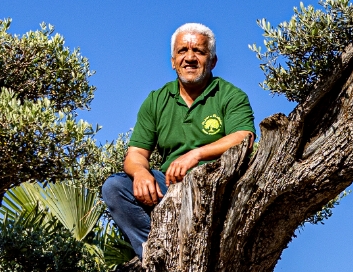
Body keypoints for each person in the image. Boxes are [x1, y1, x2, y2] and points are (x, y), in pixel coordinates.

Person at [101, 22, 255, 259]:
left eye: (199, 51)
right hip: (170, 187)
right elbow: (136, 154)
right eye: (183, 51)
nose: (190, 58)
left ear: (212, 61)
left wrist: (196, 154)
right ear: (173, 61)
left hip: (218, 187)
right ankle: (155, 254)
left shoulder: (231, 96)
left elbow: (244, 136)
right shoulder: (156, 100)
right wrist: (140, 173)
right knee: (115, 187)